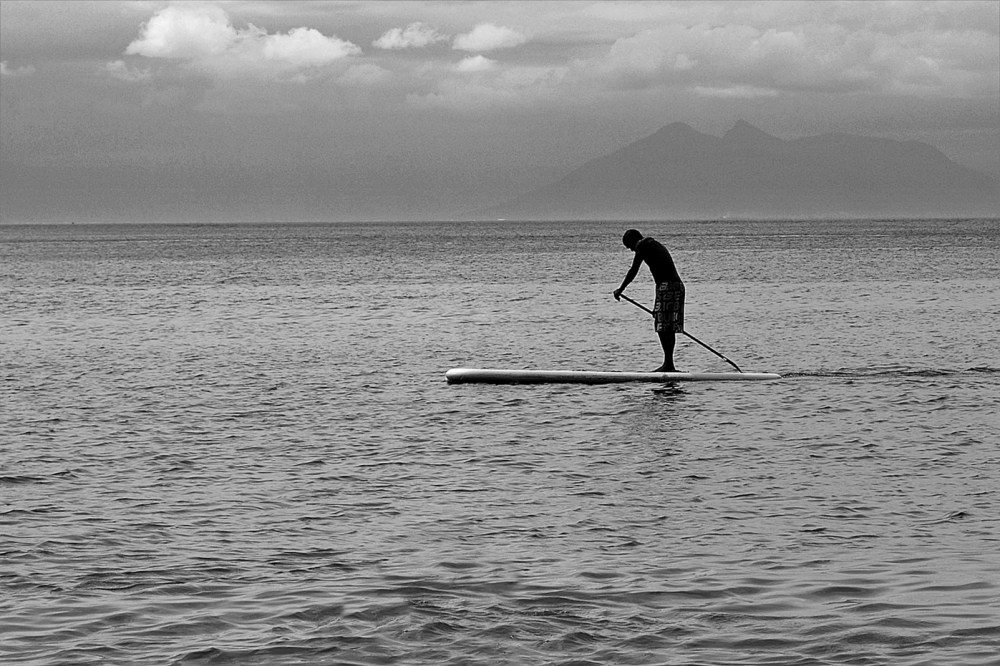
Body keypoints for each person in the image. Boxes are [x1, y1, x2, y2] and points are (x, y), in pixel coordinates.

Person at [613, 229, 684, 372]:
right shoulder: (653, 244)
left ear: (635, 240)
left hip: (668, 287)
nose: (632, 250)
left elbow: (633, 270)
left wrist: (621, 289)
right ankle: (669, 364)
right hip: (676, 286)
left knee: (663, 326)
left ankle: (668, 365)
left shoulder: (643, 245)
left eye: (630, 246)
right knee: (667, 325)